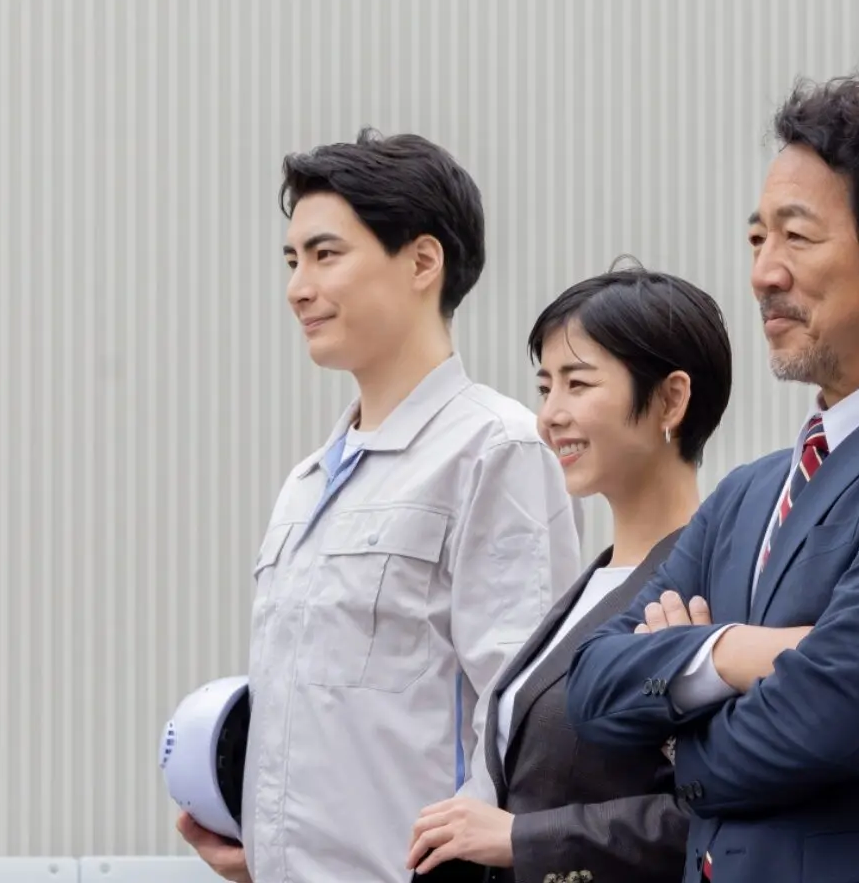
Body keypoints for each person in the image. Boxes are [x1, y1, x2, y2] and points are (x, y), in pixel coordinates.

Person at [565, 74, 859, 883]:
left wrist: (673, 729)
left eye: (797, 237)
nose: (764, 273)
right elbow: (589, 685)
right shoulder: (748, 493)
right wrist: (731, 654)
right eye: (757, 239)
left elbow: (825, 722)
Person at [178, 129, 583, 883]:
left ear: (423, 262)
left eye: (325, 254)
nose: (298, 287)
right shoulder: (306, 484)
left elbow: (527, 717)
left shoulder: (497, 450)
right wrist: (259, 846)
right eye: (292, 261)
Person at [406, 262, 734, 882]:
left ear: (671, 398)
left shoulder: (715, 587)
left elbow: (716, 808)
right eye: (544, 387)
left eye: (577, 384)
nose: (549, 415)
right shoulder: (590, 586)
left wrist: (524, 838)